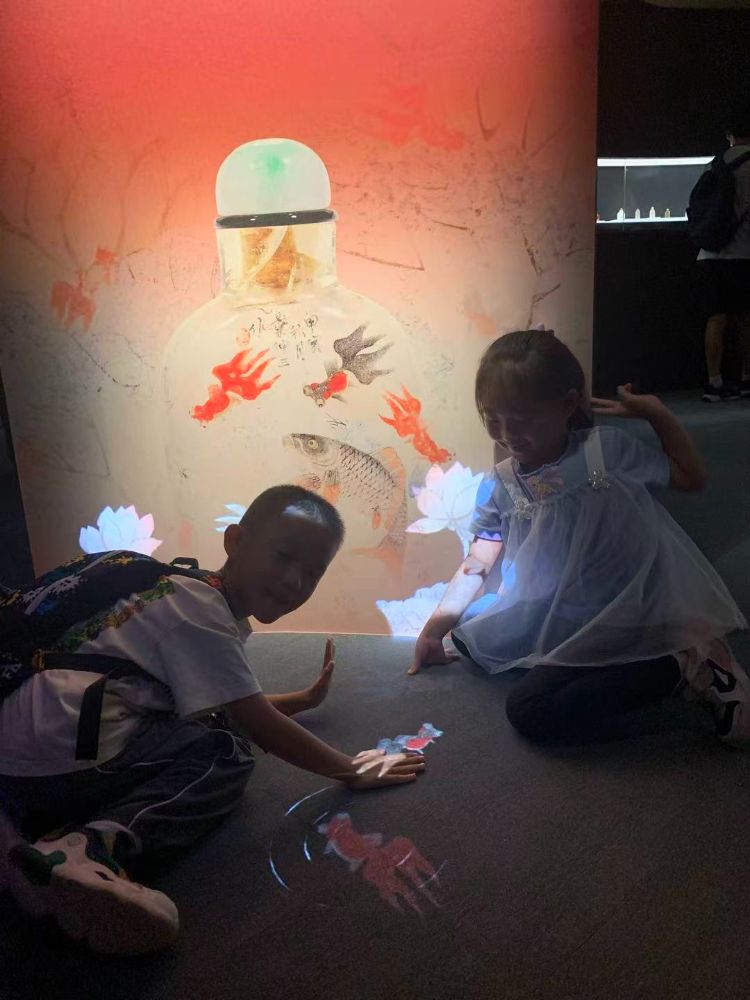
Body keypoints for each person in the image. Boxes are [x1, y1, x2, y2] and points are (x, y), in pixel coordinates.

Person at [0, 485, 425, 955]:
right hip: (60, 755)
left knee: (209, 728)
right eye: (283, 556)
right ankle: (87, 848)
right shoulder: (202, 614)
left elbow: (220, 701)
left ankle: (20, 826)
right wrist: (351, 769)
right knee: (225, 753)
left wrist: (302, 700)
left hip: (32, 742)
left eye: (312, 573)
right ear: (235, 541)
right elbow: (252, 721)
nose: (294, 581)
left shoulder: (183, 588)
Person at [409, 329, 749, 747]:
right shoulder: (500, 484)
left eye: (522, 420)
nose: (507, 434)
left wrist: (657, 414)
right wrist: (434, 629)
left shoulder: (603, 452)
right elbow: (479, 561)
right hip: (566, 617)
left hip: (629, 614)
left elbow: (690, 478)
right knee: (473, 637)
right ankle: (648, 665)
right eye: (493, 418)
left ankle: (687, 665)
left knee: (529, 710)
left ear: (568, 404)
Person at [698, 102, 750, 402]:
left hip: (712, 255)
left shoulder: (714, 165)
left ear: (729, 134)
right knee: (745, 319)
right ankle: (746, 379)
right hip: (745, 253)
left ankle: (714, 382)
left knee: (715, 318)